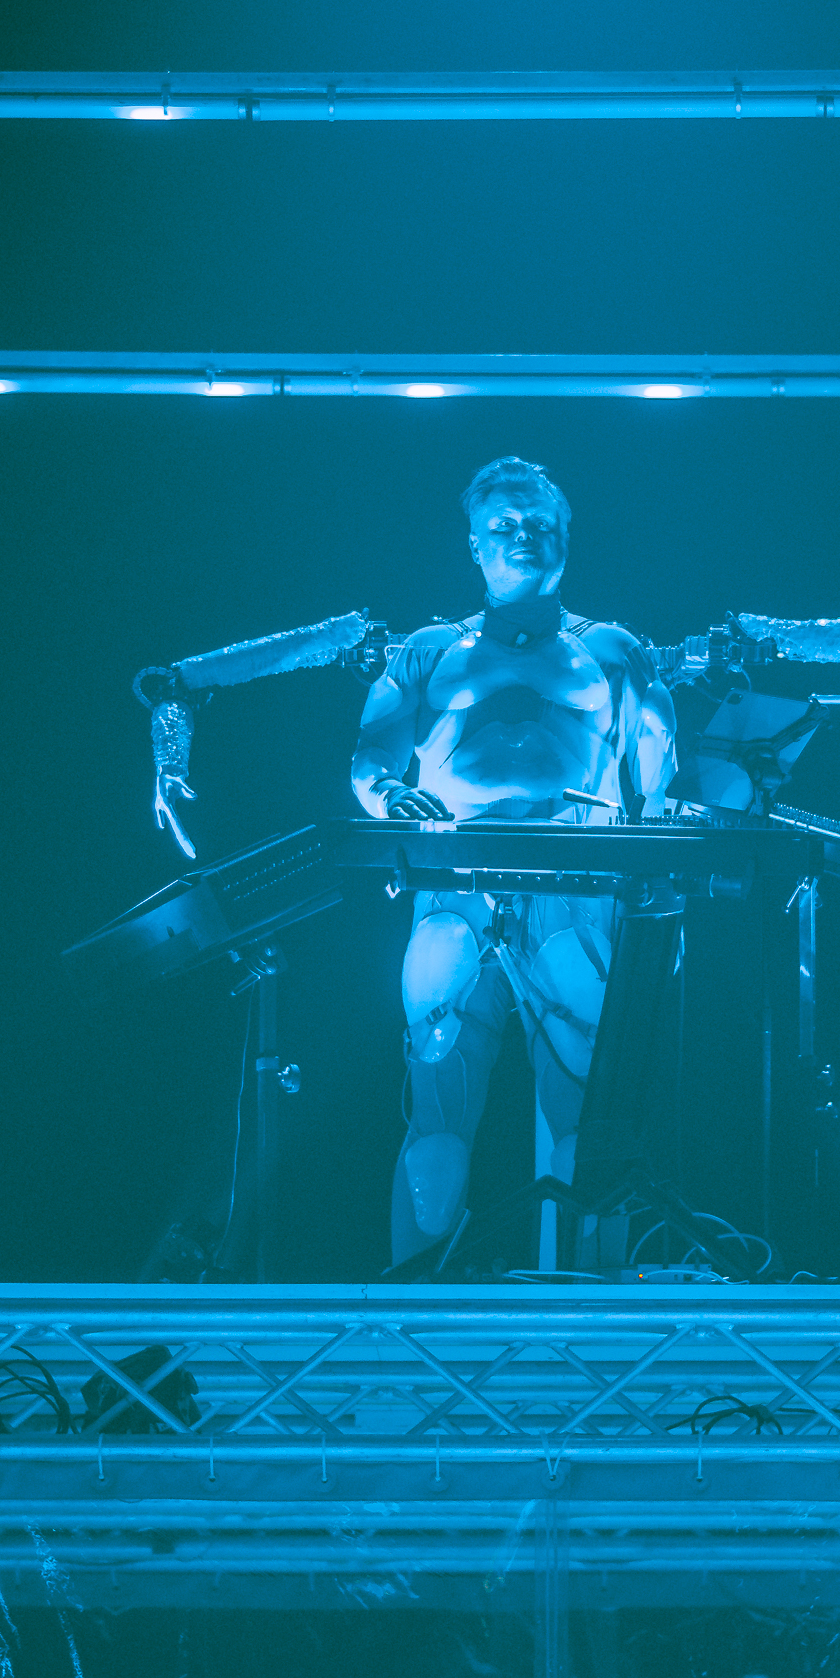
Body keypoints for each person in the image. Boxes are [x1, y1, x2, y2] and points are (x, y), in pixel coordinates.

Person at [350, 458, 677, 1262]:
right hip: (455, 885)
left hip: (576, 888)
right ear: (474, 542)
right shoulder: (428, 650)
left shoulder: (615, 651)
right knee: (438, 1113)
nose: (523, 536)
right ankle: (411, 1309)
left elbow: (660, 783)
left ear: (566, 538)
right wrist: (390, 797)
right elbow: (369, 761)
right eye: (504, 524)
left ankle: (594, 1313)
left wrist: (650, 874)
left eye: (539, 524)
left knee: (588, 1123)